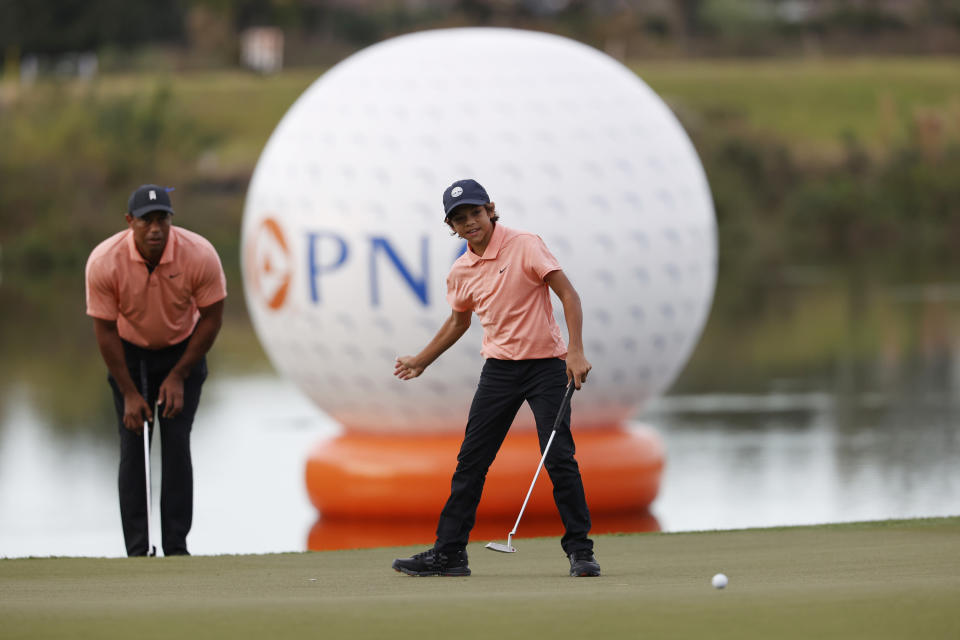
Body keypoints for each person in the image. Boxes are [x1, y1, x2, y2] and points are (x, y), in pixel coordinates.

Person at [391, 178, 600, 578]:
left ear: (490, 209)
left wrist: (575, 350)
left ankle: (581, 552)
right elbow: (457, 322)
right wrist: (422, 360)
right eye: (459, 218)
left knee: (559, 458)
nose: (470, 222)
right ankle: (450, 554)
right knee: (471, 461)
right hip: (500, 371)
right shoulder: (461, 271)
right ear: (450, 225)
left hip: (547, 367)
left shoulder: (525, 244)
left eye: (475, 213)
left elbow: (568, 295)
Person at [85, 184, 226, 557]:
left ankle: (176, 548)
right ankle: (137, 550)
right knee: (134, 447)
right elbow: (104, 329)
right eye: (146, 220)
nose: (155, 228)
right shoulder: (104, 261)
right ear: (130, 222)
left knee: (176, 445)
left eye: (162, 218)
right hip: (128, 353)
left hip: (184, 350)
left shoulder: (199, 254)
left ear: (170, 219)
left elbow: (212, 318)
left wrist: (179, 375)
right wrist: (130, 392)